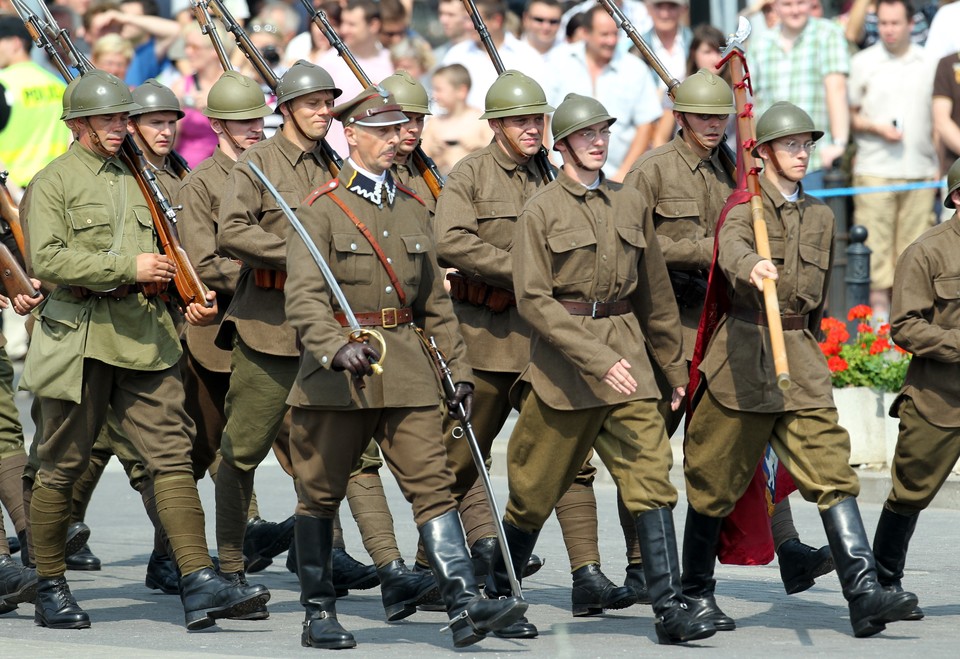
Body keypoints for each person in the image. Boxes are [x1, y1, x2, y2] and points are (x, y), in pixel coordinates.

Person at [20, 68, 268, 630]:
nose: (118, 127)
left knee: (172, 457)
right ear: (79, 123)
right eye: (107, 118)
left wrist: (188, 298)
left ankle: (198, 577)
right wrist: (123, 267)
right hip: (79, 337)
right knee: (61, 464)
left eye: (121, 118)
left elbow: (173, 248)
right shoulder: (55, 180)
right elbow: (47, 261)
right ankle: (49, 581)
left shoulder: (147, 181)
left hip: (146, 335)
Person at [284, 84, 527, 650]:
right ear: (352, 136)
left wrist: (459, 370)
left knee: (434, 486)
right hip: (340, 374)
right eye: (382, 132)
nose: (396, 141)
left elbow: (434, 304)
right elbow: (303, 299)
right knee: (319, 493)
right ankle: (318, 612)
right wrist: (331, 345)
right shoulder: (320, 209)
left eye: (399, 131)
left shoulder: (414, 208)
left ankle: (464, 603)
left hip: (410, 369)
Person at [680, 101, 918, 638]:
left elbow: (818, 303)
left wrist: (812, 345)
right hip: (742, 357)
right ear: (761, 154)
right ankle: (693, 593)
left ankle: (863, 595)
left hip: (799, 356)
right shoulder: (745, 210)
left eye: (807, 144)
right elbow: (731, 251)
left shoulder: (820, 215)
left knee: (832, 472)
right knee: (714, 480)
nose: (802, 153)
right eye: (790, 145)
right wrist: (753, 265)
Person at [483, 91, 714, 646]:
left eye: (604, 132)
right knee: (533, 491)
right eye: (586, 134)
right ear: (561, 144)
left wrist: (674, 369)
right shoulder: (541, 209)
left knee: (651, 480)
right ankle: (495, 594)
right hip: (565, 371)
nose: (598, 141)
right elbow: (534, 300)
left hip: (630, 361)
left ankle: (669, 606)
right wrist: (595, 357)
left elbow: (655, 295)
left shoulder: (629, 201)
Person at [216, 61, 423, 613]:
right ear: (284, 108)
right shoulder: (257, 163)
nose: (323, 112)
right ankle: (231, 569)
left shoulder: (338, 163)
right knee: (243, 451)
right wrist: (303, 255)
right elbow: (231, 230)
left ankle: (389, 566)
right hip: (271, 328)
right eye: (311, 103)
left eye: (329, 102)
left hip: (334, 335)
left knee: (350, 455)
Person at [625, 68, 834, 605]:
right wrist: (709, 247)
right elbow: (634, 244)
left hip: (727, 318)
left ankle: (786, 547)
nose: (714, 125)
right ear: (680, 116)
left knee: (750, 434)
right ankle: (641, 566)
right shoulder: (653, 170)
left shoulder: (733, 169)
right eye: (703, 116)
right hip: (673, 321)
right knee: (648, 447)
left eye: (721, 116)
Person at [872, 156, 960, 623]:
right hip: (939, 399)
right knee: (909, 493)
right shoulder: (927, 251)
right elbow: (904, 326)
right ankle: (884, 582)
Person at [849, 0, 938, 322]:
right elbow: (850, 116)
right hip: (875, 170)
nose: (888, 29)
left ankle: (909, 329)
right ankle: (880, 332)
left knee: (914, 257)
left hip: (920, 171)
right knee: (876, 259)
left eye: (895, 23)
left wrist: (939, 169)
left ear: (911, 23)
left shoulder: (929, 61)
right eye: (883, 23)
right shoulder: (862, 62)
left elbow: (938, 120)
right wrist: (876, 127)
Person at [543, 5, 661, 180]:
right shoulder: (558, 61)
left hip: (616, 177)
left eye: (615, 34)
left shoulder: (635, 69)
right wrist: (549, 164)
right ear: (585, 33)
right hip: (562, 174)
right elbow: (543, 114)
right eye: (604, 34)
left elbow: (646, 126)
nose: (611, 41)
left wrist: (624, 173)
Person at [750, 0, 851, 189]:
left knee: (815, 217)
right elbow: (752, 104)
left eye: (801, 3)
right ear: (776, 6)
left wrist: (838, 144)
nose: (795, 10)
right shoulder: (760, 43)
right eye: (787, 4)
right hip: (772, 163)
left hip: (814, 160)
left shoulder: (828, 34)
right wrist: (754, 152)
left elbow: (837, 89)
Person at [0, 15, 71, 189]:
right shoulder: (58, 83)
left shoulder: (3, 83)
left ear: (16, 43)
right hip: (56, 188)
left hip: (11, 190)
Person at [317, 0, 395, 155]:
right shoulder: (328, 62)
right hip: (337, 157)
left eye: (352, 24)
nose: (344, 29)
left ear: (373, 25)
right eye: (343, 23)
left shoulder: (392, 61)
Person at [440, 0, 546, 112]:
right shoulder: (456, 54)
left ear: (497, 20)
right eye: (466, 19)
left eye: (473, 20)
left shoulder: (527, 56)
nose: (467, 26)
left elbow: (539, 107)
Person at [420, 64, 492, 177]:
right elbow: (420, 158)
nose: (434, 95)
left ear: (461, 91)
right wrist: (433, 151)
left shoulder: (481, 120)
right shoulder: (434, 123)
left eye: (439, 89)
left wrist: (481, 146)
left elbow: (497, 154)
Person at [380, 71, 436, 211]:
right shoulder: (366, 170)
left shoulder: (427, 172)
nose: (415, 129)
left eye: (419, 120)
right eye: (406, 119)